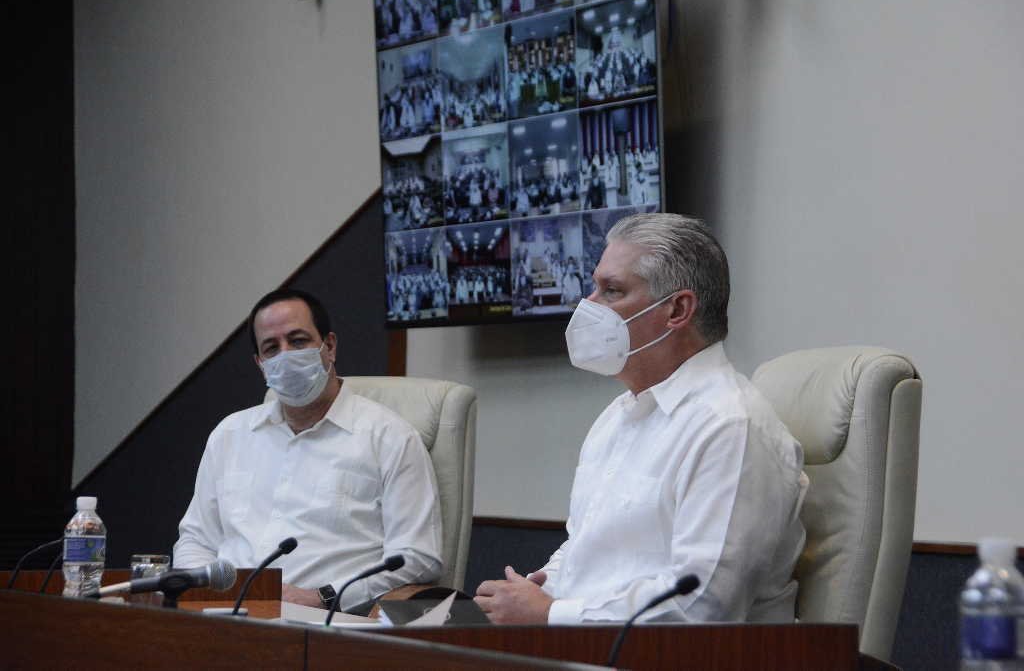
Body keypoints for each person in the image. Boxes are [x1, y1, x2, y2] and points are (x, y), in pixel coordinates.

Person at [475, 213, 808, 624]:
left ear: (677, 310)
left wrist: (552, 614)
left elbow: (703, 604)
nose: (588, 307)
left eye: (611, 291)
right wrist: (540, 589)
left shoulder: (730, 426)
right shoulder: (617, 417)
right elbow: (587, 545)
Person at [174, 289, 442, 612]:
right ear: (260, 364)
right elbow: (196, 540)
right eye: (271, 348)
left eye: (298, 341)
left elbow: (417, 559)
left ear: (329, 347)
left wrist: (325, 596)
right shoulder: (229, 434)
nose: (285, 355)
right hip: (224, 617)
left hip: (325, 623)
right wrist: (203, 598)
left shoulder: (390, 438)